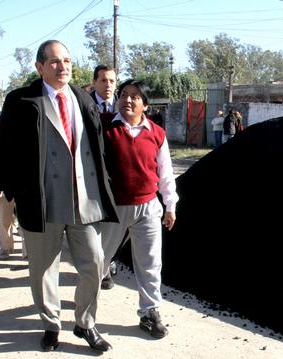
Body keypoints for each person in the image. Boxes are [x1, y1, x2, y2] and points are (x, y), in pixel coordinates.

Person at [0, 40, 119, 353]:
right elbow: (4, 145)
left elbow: (97, 146)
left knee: (94, 263)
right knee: (43, 269)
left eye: (67, 61)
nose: (63, 68)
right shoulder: (22, 99)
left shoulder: (82, 98)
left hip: (84, 198)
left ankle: (85, 323)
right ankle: (50, 324)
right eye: (54, 62)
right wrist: (3, 185)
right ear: (39, 67)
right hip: (42, 199)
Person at [101, 79, 178, 339]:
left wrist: (170, 205)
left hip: (148, 207)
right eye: (124, 95)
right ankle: (86, 310)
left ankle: (150, 312)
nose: (128, 100)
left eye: (135, 96)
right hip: (113, 208)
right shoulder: (105, 127)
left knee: (150, 263)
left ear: (145, 104)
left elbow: (166, 173)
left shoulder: (156, 133)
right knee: (97, 259)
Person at [89, 64, 118, 289]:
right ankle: (99, 267)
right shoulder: (84, 105)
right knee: (95, 222)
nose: (108, 85)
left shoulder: (123, 104)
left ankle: (107, 263)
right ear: (95, 82)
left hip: (116, 173)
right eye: (103, 80)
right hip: (90, 172)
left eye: (111, 81)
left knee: (113, 223)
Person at [0, 111, 25, 259]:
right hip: (2, 187)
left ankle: (28, 250)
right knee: (4, 219)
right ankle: (6, 247)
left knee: (25, 220)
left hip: (24, 186)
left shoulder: (28, 135)